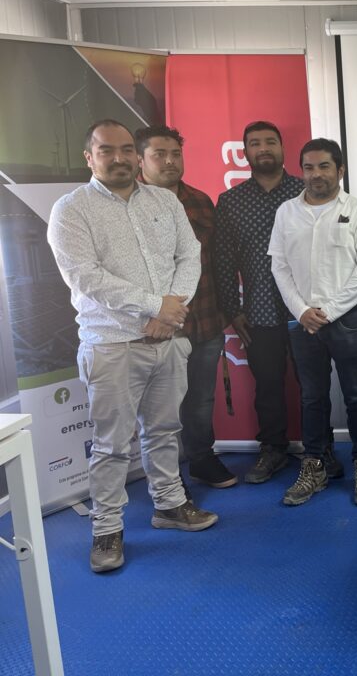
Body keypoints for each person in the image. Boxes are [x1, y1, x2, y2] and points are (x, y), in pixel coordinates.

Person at [47, 119, 217, 574]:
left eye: (126, 149)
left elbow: (189, 256)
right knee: (111, 445)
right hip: (111, 345)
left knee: (164, 431)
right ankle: (106, 529)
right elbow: (86, 277)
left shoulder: (164, 200)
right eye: (107, 150)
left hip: (169, 340)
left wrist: (170, 311)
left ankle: (169, 505)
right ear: (89, 157)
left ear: (136, 156)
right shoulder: (71, 209)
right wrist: (155, 307)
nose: (119, 157)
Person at [269, 138, 357, 506]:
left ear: (340, 170)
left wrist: (329, 310)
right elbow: (279, 266)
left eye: (324, 166)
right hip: (303, 321)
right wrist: (301, 310)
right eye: (309, 167)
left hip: (347, 318)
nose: (316, 174)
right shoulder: (287, 212)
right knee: (312, 396)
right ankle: (315, 465)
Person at [136, 125, 237, 489]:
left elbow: (215, 260)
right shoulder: (129, 206)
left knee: (200, 399)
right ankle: (166, 484)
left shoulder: (199, 201)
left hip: (205, 320)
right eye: (159, 155)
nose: (169, 161)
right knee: (158, 409)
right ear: (139, 159)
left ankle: (201, 459)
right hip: (157, 326)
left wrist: (228, 311)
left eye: (175, 154)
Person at [213, 121, 305, 485]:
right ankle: (273, 450)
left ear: (283, 148)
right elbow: (222, 260)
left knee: (312, 384)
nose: (263, 148)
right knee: (267, 386)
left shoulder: (306, 191)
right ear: (245, 152)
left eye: (270, 142)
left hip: (307, 310)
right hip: (259, 310)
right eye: (255, 143)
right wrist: (232, 311)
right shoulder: (231, 202)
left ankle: (320, 449)